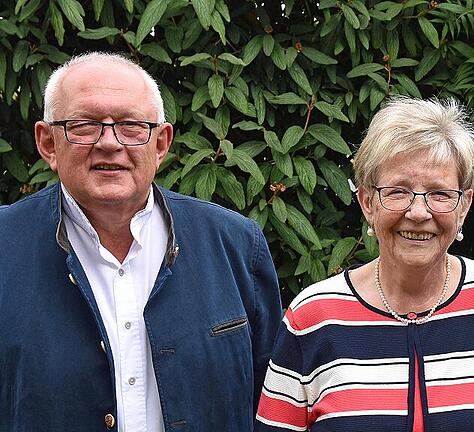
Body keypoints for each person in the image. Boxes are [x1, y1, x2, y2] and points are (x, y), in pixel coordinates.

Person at [0, 52, 282, 431]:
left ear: (161, 144)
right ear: (48, 143)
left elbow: (274, 407)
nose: (110, 143)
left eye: (131, 126)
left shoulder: (235, 245)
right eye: (85, 125)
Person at [255, 97, 474, 432]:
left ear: (464, 205)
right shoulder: (313, 317)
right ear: (367, 202)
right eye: (397, 191)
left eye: (439, 194)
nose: (419, 213)